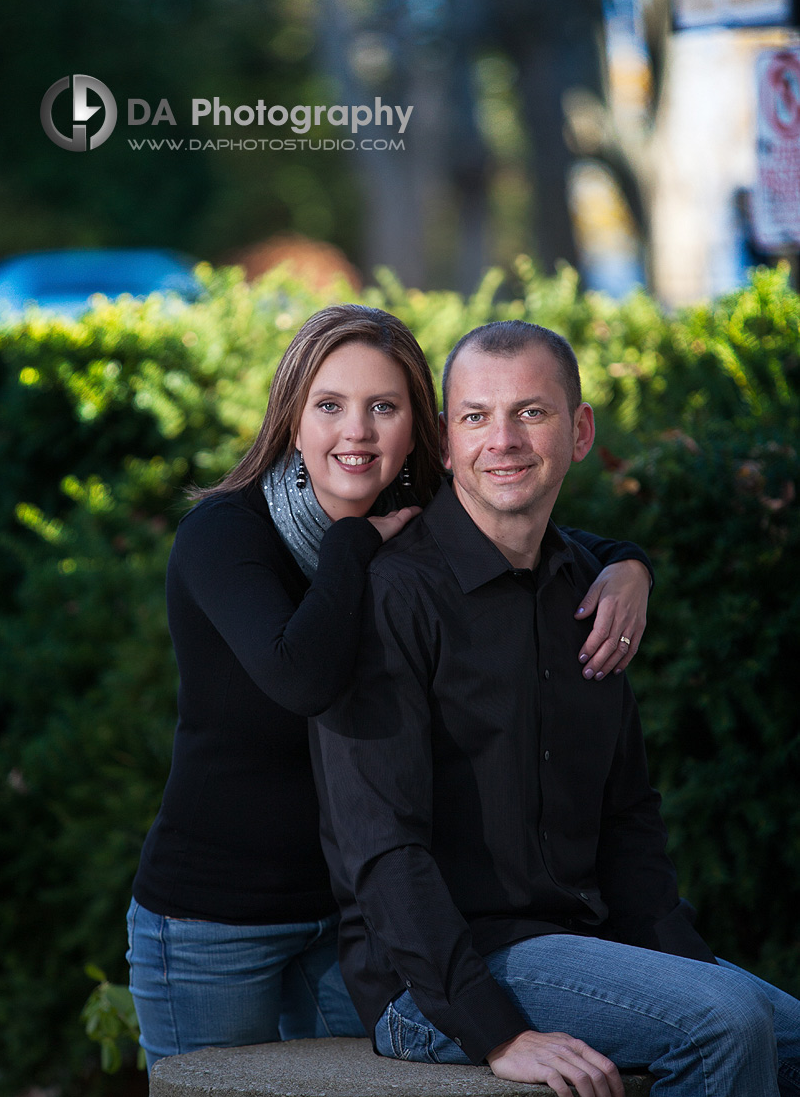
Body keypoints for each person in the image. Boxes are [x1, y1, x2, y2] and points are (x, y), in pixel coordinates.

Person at [127, 305, 655, 1072]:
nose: (357, 432)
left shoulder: (413, 528)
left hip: (355, 920)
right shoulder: (225, 536)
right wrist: (350, 543)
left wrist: (629, 564)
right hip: (216, 916)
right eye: (330, 406)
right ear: (291, 420)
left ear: (422, 430)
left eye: (384, 407)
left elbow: (535, 535)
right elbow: (301, 674)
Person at [312, 319, 800, 1097]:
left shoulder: (588, 588)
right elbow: (381, 850)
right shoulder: (394, 596)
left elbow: (627, 812)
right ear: (444, 442)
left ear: (578, 432)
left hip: (580, 948)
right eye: (475, 417)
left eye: (530, 413)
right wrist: (496, 1033)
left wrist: (680, 960)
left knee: (789, 1033)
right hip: (439, 980)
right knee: (722, 1024)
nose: (501, 439)